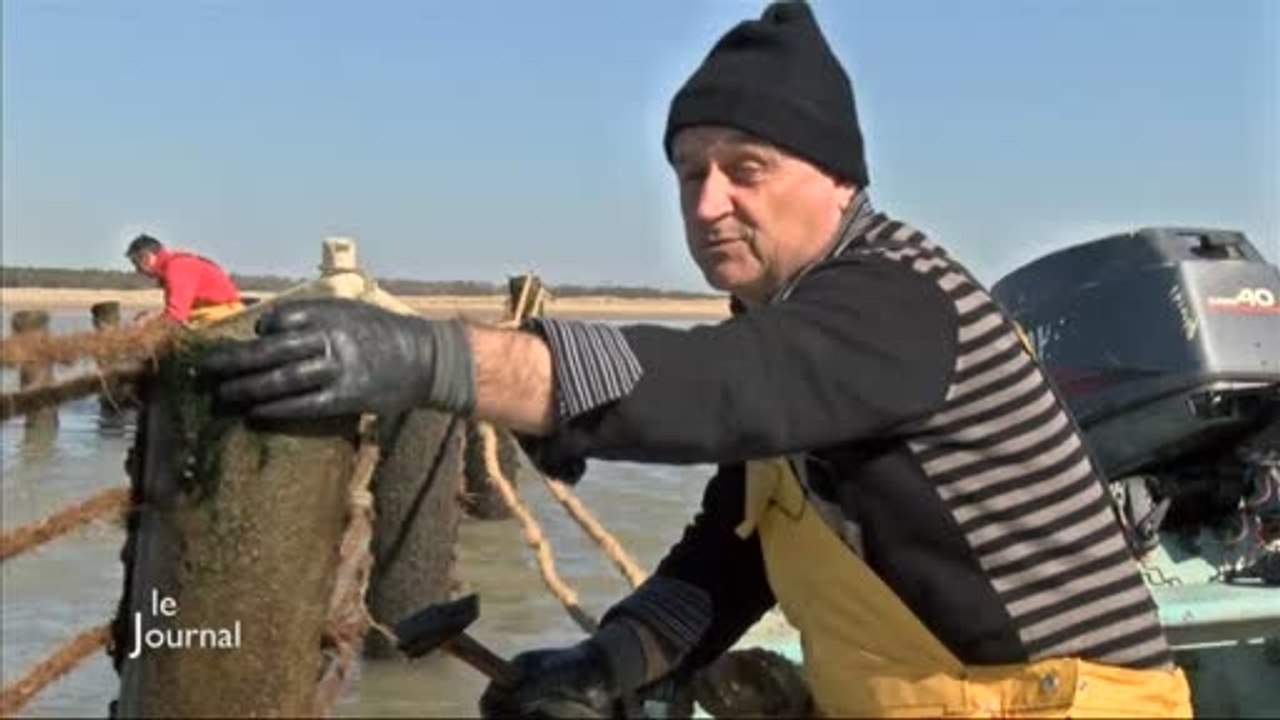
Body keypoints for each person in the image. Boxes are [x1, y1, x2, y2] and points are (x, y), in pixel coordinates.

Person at [198, 3, 1193, 717]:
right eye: (688, 172)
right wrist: (609, 660)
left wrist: (430, 361)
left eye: (743, 169)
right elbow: (733, 551)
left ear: (839, 178)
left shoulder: (896, 300)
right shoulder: (788, 322)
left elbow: (705, 385)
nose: (707, 201)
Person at [125, 234, 244, 326]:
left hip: (224, 315)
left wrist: (149, 325)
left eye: (136, 264)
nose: (137, 270)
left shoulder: (177, 268)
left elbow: (176, 316)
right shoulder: (171, 267)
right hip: (210, 313)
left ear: (147, 257)